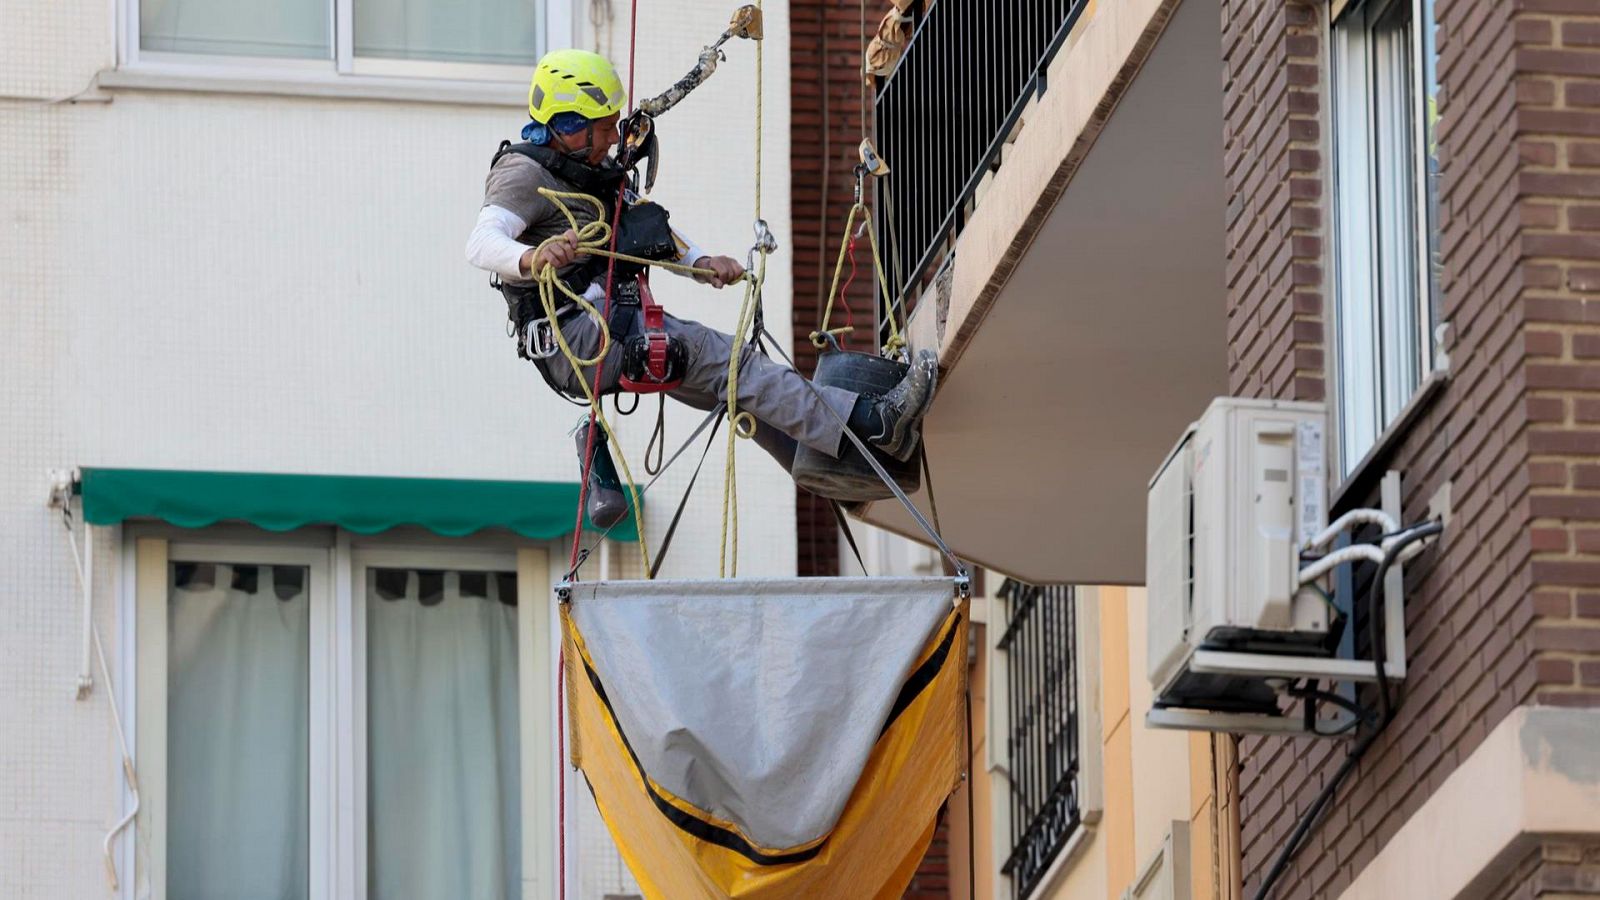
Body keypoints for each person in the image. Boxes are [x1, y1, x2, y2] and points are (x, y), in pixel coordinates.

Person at [465, 48, 936, 481]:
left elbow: (645, 232)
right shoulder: (524, 173)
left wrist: (700, 261)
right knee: (733, 365)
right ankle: (876, 424)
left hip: (614, 326)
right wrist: (531, 257)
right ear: (568, 125)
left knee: (728, 387)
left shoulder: (591, 172)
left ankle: (815, 461)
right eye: (604, 127)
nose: (613, 138)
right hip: (581, 338)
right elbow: (481, 242)